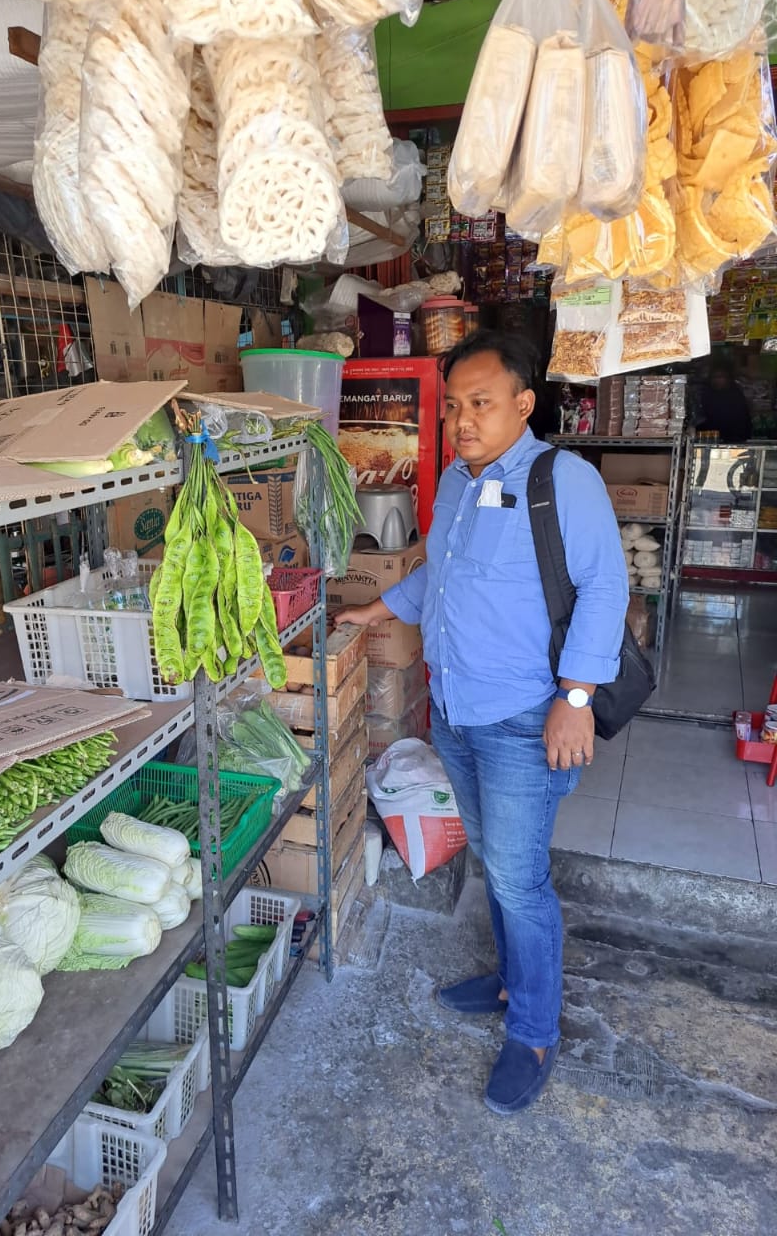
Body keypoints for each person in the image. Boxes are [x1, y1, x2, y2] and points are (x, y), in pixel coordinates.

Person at [335, 331, 628, 1115]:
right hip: (458, 714)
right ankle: (510, 983)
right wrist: (377, 608)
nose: (462, 420)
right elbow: (441, 573)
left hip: (525, 718)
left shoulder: (562, 481)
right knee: (498, 862)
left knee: (520, 881)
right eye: (453, 406)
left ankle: (533, 1032)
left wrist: (574, 700)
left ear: (523, 404)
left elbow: (605, 588)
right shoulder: (459, 484)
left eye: (481, 403)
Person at [699, 363, 752, 443]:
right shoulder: (706, 394)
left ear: (728, 379)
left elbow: (742, 420)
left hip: (735, 439)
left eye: (720, 377)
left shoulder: (735, 395)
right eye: (714, 377)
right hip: (710, 439)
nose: (717, 380)